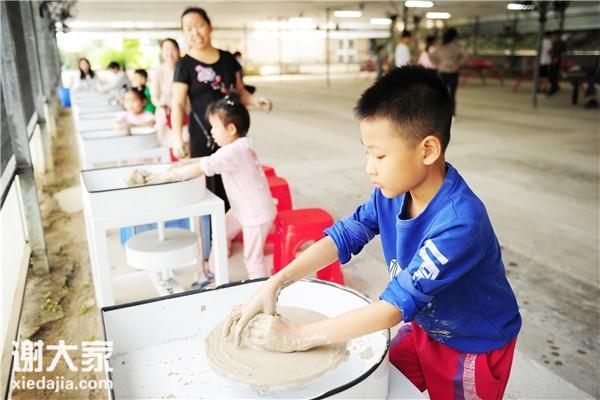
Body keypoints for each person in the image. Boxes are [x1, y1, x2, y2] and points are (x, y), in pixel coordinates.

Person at [225, 66, 522, 399]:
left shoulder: (459, 222)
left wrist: (297, 336)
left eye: (380, 155)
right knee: (374, 381)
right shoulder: (390, 194)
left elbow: (392, 308)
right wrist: (277, 281)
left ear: (427, 150)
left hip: (473, 344)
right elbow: (344, 236)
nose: (369, 167)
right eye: (366, 152)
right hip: (425, 325)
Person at [149, 92, 276, 281]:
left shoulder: (232, 152)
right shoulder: (241, 145)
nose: (211, 132)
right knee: (220, 232)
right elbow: (209, 160)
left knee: (252, 259)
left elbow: (202, 167)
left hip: (255, 214)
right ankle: (213, 273)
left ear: (231, 129)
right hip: (244, 207)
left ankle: (261, 289)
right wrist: (185, 163)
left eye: (215, 127)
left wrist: (170, 175)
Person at [171, 7, 272, 208]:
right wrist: (178, 138)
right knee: (207, 190)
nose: (195, 32)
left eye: (199, 25)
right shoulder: (184, 65)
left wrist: (255, 100)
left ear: (210, 27)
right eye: (188, 29)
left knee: (237, 186)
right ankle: (214, 229)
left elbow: (240, 91)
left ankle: (237, 224)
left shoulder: (228, 59)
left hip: (232, 135)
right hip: (203, 136)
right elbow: (178, 103)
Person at [152, 38, 190, 152]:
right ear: (162, 53)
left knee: (186, 143)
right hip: (166, 114)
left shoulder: (185, 68)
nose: (170, 53)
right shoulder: (158, 71)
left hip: (185, 112)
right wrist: (162, 106)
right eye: (166, 49)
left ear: (178, 50)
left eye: (173, 49)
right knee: (169, 146)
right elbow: (154, 96)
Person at [430, 28, 469, 116]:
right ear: (455, 36)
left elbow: (431, 56)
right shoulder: (457, 46)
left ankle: (441, 111)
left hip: (442, 72)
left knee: (441, 93)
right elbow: (466, 55)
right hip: (453, 72)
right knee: (452, 94)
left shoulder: (441, 45)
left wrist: (437, 64)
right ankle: (452, 113)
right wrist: (459, 64)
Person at [548, 31, 567, 96]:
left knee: (553, 74)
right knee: (551, 74)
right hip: (553, 59)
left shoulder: (561, 43)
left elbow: (563, 52)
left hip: (557, 60)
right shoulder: (554, 42)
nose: (554, 36)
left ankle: (553, 88)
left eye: (555, 35)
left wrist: (557, 58)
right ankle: (555, 86)